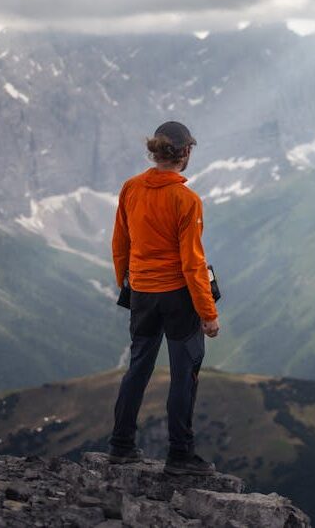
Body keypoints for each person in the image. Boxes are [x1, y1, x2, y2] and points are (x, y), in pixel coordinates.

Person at [107, 120, 220, 475]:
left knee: (138, 366)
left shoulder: (130, 188)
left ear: (155, 150)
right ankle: (180, 455)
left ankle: (121, 446)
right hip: (177, 297)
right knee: (184, 372)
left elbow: (119, 244)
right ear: (185, 153)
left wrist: (128, 281)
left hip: (141, 291)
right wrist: (208, 311)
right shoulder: (186, 199)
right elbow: (192, 263)